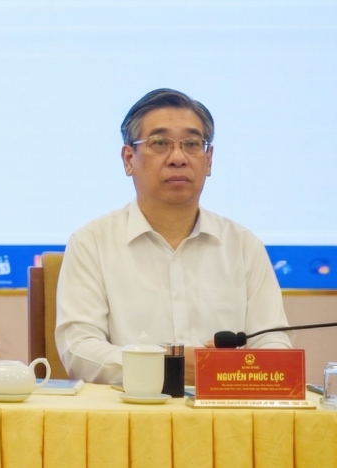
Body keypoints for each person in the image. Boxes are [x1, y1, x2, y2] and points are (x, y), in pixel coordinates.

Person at [55, 88, 292, 385]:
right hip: (131, 409)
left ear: (208, 160)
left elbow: (274, 342)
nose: (178, 158)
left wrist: (228, 371)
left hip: (225, 410)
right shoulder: (92, 243)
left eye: (192, 144)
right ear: (128, 159)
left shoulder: (243, 245)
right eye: (160, 143)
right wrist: (167, 367)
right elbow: (79, 351)